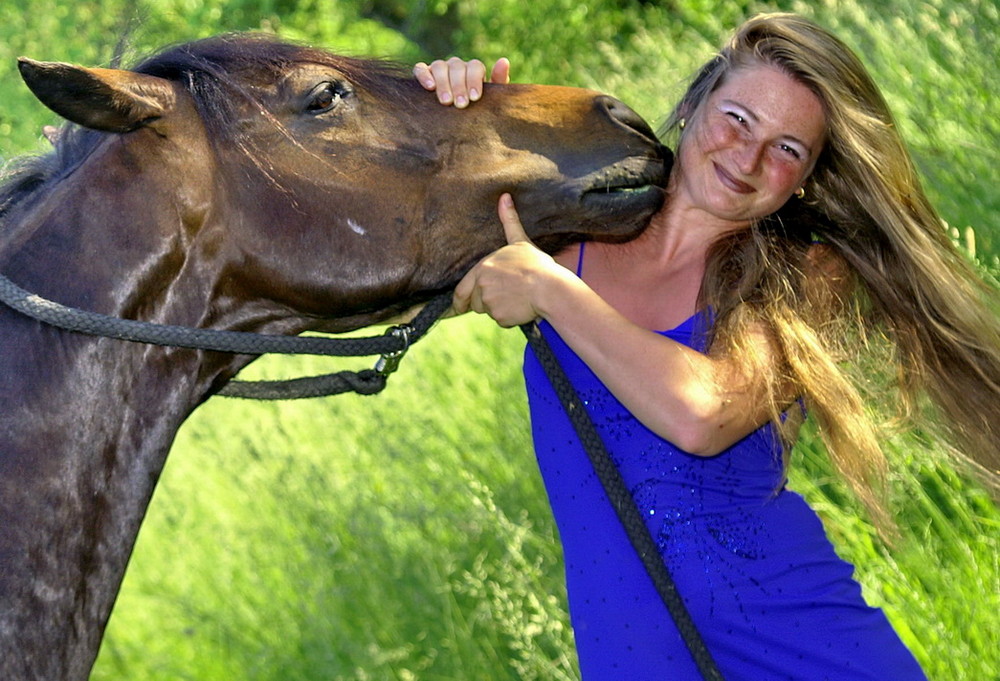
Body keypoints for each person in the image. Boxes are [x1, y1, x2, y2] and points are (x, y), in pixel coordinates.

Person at [414, 13, 1000, 680]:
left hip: (808, 651)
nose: (746, 158)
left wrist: (552, 293)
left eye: (787, 149)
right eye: (738, 119)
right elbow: (380, 232)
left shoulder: (804, 276)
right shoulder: (566, 236)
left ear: (806, 177)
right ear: (693, 104)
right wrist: (447, 111)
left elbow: (704, 414)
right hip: (633, 659)